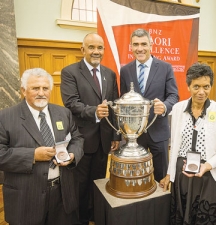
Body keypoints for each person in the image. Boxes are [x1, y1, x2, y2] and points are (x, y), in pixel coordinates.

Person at [0, 68, 84, 225]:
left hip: (62, 195)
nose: (41, 93)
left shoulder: (63, 113)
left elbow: (77, 138)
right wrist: (32, 156)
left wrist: (72, 155)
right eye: (35, 88)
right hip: (26, 197)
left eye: (45, 88)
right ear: (24, 90)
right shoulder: (5, 117)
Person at [159, 63, 216, 224]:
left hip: (208, 174)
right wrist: (169, 174)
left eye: (206, 87)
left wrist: (207, 165)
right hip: (182, 174)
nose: (201, 92)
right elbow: (175, 146)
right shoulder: (178, 109)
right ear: (188, 86)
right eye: (196, 86)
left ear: (211, 86)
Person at [60, 32, 120, 225]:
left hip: (104, 140)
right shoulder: (70, 72)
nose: (96, 51)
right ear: (82, 49)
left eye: (100, 48)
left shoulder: (110, 74)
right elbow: (71, 103)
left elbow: (114, 106)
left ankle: (97, 216)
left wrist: (115, 135)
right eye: (92, 47)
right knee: (81, 186)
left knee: (99, 181)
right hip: (81, 140)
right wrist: (95, 111)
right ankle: (81, 219)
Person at [120, 28, 179, 182]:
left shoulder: (165, 67)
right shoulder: (125, 70)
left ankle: (163, 206)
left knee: (161, 177)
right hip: (134, 134)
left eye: (144, 44)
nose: (140, 48)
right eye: (136, 44)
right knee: (136, 177)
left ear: (151, 45)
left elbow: (174, 95)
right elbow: (123, 99)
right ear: (131, 47)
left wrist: (165, 106)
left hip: (158, 132)